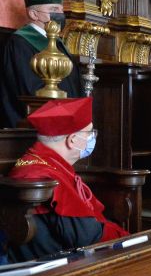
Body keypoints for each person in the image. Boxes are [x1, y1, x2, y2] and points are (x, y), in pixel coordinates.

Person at [6, 98, 128, 262]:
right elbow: (87, 235)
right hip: (53, 272)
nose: (92, 138)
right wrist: (127, 240)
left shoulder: (45, 162)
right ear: (72, 140)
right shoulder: (43, 174)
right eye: (90, 133)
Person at [1, 0, 82, 128]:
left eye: (61, 10)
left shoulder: (58, 43)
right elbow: (28, 86)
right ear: (33, 14)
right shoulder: (21, 42)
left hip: (66, 119)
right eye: (53, 9)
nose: (59, 15)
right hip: (37, 122)